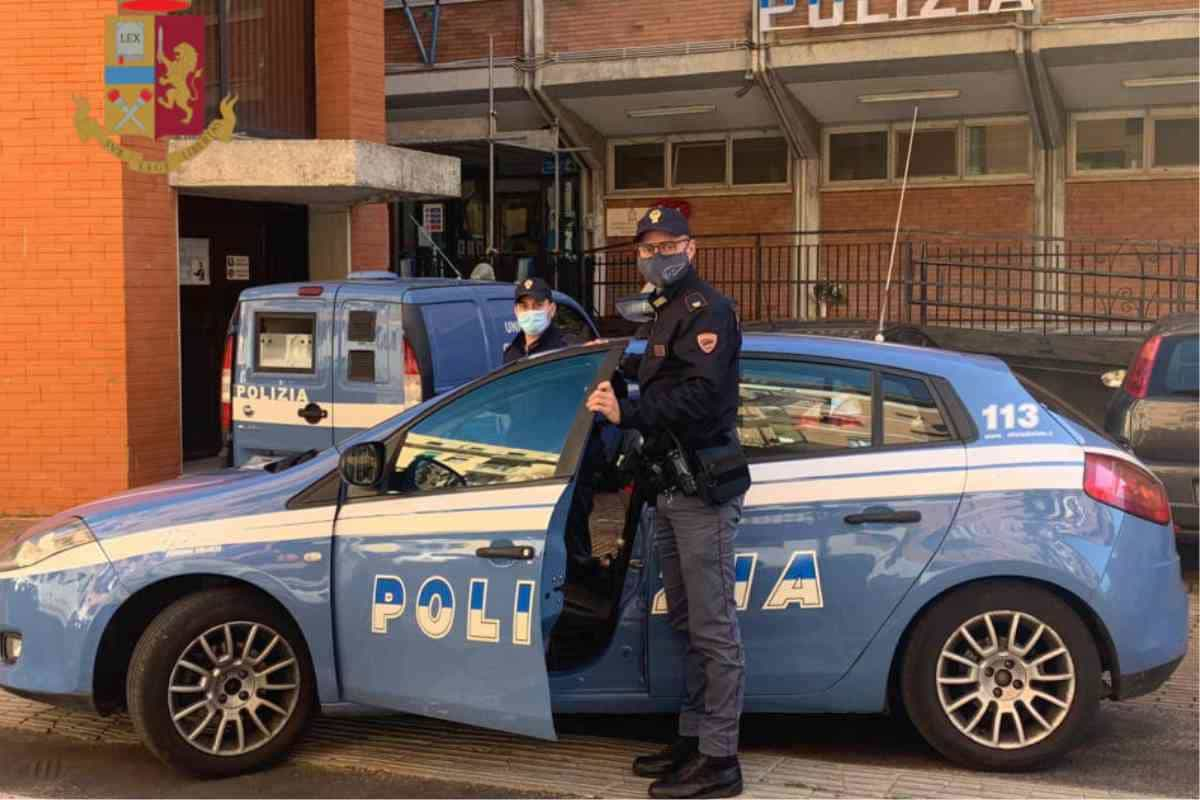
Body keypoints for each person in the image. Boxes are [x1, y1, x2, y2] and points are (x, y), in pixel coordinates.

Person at [586, 206, 748, 799]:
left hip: (702, 488)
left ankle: (721, 761)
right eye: (647, 246)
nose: (655, 255)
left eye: (666, 244)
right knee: (685, 623)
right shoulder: (664, 313)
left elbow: (701, 399)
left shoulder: (710, 311)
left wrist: (625, 410)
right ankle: (694, 739)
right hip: (672, 488)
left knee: (713, 629)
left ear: (691, 247)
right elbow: (661, 380)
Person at [503, 277, 564, 364]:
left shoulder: (564, 351)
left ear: (552, 309)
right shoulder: (512, 354)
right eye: (524, 306)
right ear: (516, 311)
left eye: (538, 305)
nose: (530, 311)